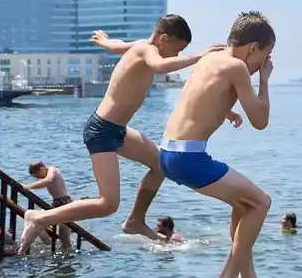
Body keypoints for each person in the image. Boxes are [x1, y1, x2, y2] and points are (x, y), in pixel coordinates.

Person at [17, 14, 223, 254]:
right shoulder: (147, 51)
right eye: (176, 51)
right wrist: (200, 56)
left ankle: (135, 221)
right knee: (108, 204)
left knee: (162, 164)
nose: (176, 57)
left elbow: (117, 46)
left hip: (118, 130)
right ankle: (39, 218)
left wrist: (104, 40)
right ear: (163, 39)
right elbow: (159, 66)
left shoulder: (138, 46)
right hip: (101, 131)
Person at [157, 10, 287, 278]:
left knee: (245, 205)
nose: (259, 67)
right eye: (263, 58)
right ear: (252, 48)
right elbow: (260, 121)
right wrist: (265, 82)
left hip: (169, 152)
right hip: (187, 157)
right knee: (261, 203)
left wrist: (225, 111)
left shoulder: (210, 59)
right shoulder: (237, 69)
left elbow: (199, 97)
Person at [24, 161, 73, 250]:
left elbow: (48, 181)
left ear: (42, 169)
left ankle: (66, 249)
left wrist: (29, 186)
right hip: (56, 202)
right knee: (40, 221)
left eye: (37, 176)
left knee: (64, 233)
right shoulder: (47, 173)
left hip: (64, 202)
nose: (37, 178)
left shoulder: (52, 170)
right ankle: (49, 243)